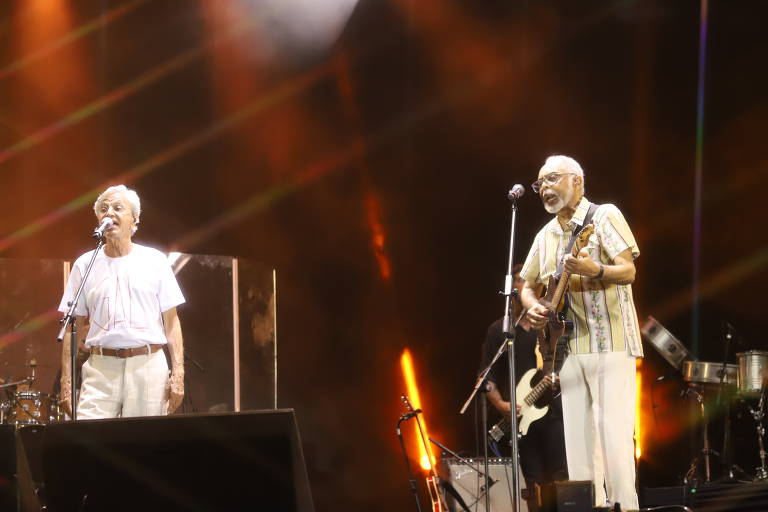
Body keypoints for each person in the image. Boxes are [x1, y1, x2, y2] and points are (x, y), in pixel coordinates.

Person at [520, 155, 643, 510]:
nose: (544, 188)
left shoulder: (604, 216)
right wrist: (533, 305)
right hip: (567, 348)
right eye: (539, 183)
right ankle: (591, 506)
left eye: (553, 179)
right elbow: (527, 285)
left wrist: (595, 269)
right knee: (577, 440)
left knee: (614, 434)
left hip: (611, 342)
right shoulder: (545, 235)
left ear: (577, 181)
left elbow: (629, 271)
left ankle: (625, 506)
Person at [58, 185, 185, 419]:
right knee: (88, 440)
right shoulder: (84, 265)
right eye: (103, 209)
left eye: (118, 208)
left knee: (143, 445)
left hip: (147, 365)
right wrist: (66, 382)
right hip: (100, 366)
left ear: (134, 220)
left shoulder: (154, 261)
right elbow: (71, 326)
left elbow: (171, 320)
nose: (109, 213)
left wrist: (178, 373)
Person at [480, 265, 567, 511]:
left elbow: (567, 361)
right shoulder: (501, 330)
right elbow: (485, 377)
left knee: (562, 480)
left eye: (526, 282)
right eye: (517, 282)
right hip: (521, 422)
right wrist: (500, 405)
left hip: (554, 415)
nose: (521, 287)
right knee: (534, 484)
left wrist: (562, 376)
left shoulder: (553, 325)